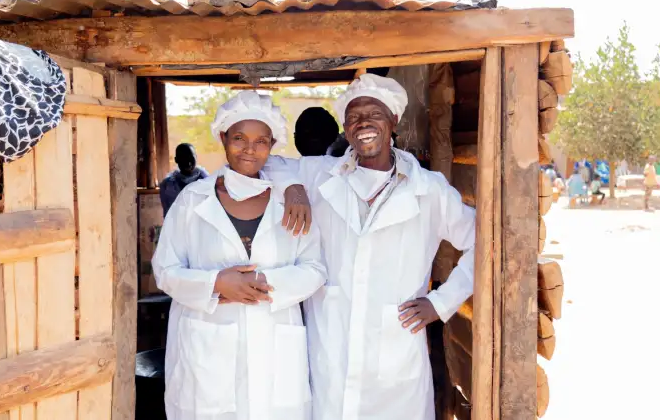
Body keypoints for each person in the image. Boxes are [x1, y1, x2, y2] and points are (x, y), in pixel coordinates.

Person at [264, 74, 476, 420]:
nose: (363, 123)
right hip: (331, 355)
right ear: (345, 129)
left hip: (395, 361)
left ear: (393, 121)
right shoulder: (320, 175)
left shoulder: (429, 189)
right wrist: (292, 187)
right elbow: (266, 163)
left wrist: (441, 302)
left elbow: (481, 240)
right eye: (353, 117)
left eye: (374, 114)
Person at [152, 91, 327, 420]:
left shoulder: (289, 202)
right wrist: (216, 283)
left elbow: (315, 267)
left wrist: (265, 283)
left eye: (261, 140)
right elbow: (165, 270)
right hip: (207, 353)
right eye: (238, 138)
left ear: (272, 145)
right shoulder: (193, 200)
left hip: (275, 348)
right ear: (222, 138)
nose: (250, 149)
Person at [159, 143, 208, 217]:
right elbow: (168, 217)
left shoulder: (208, 184)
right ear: (176, 160)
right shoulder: (166, 186)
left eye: (191, 157)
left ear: (196, 157)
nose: (188, 162)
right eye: (183, 158)